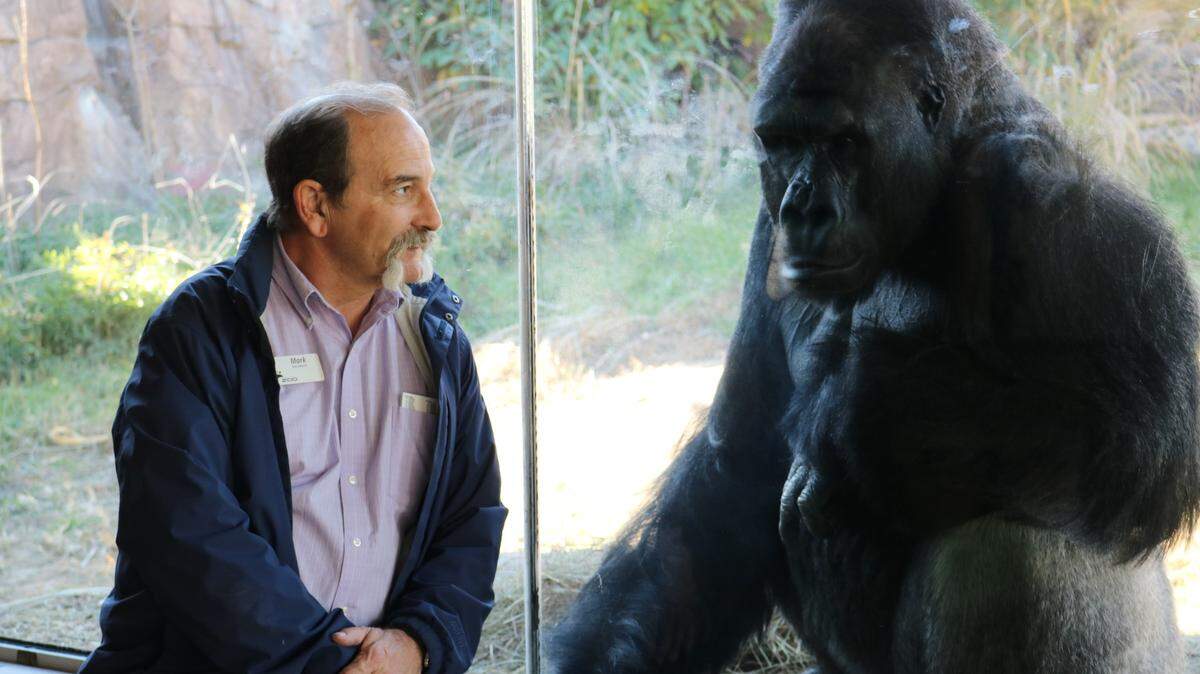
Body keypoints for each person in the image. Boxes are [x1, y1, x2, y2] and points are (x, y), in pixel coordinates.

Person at [79, 82, 507, 674]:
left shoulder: (436, 340)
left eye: (429, 187)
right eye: (403, 189)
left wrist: (418, 644)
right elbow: (188, 538)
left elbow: (472, 518)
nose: (432, 216)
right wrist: (334, 667)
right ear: (315, 205)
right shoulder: (203, 327)